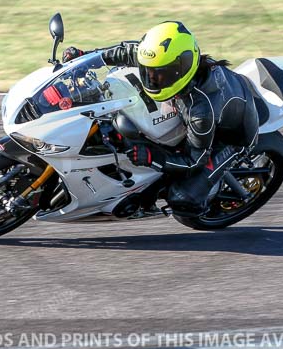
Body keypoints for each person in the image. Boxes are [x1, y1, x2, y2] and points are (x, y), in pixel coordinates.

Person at [62, 21, 260, 218]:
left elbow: (195, 160)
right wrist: (84, 58)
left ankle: (203, 205)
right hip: (206, 117)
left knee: (182, 197)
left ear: (180, 69)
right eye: (147, 71)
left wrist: (151, 157)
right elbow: (126, 52)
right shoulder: (163, 60)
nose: (151, 77)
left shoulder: (200, 110)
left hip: (232, 138)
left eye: (159, 74)